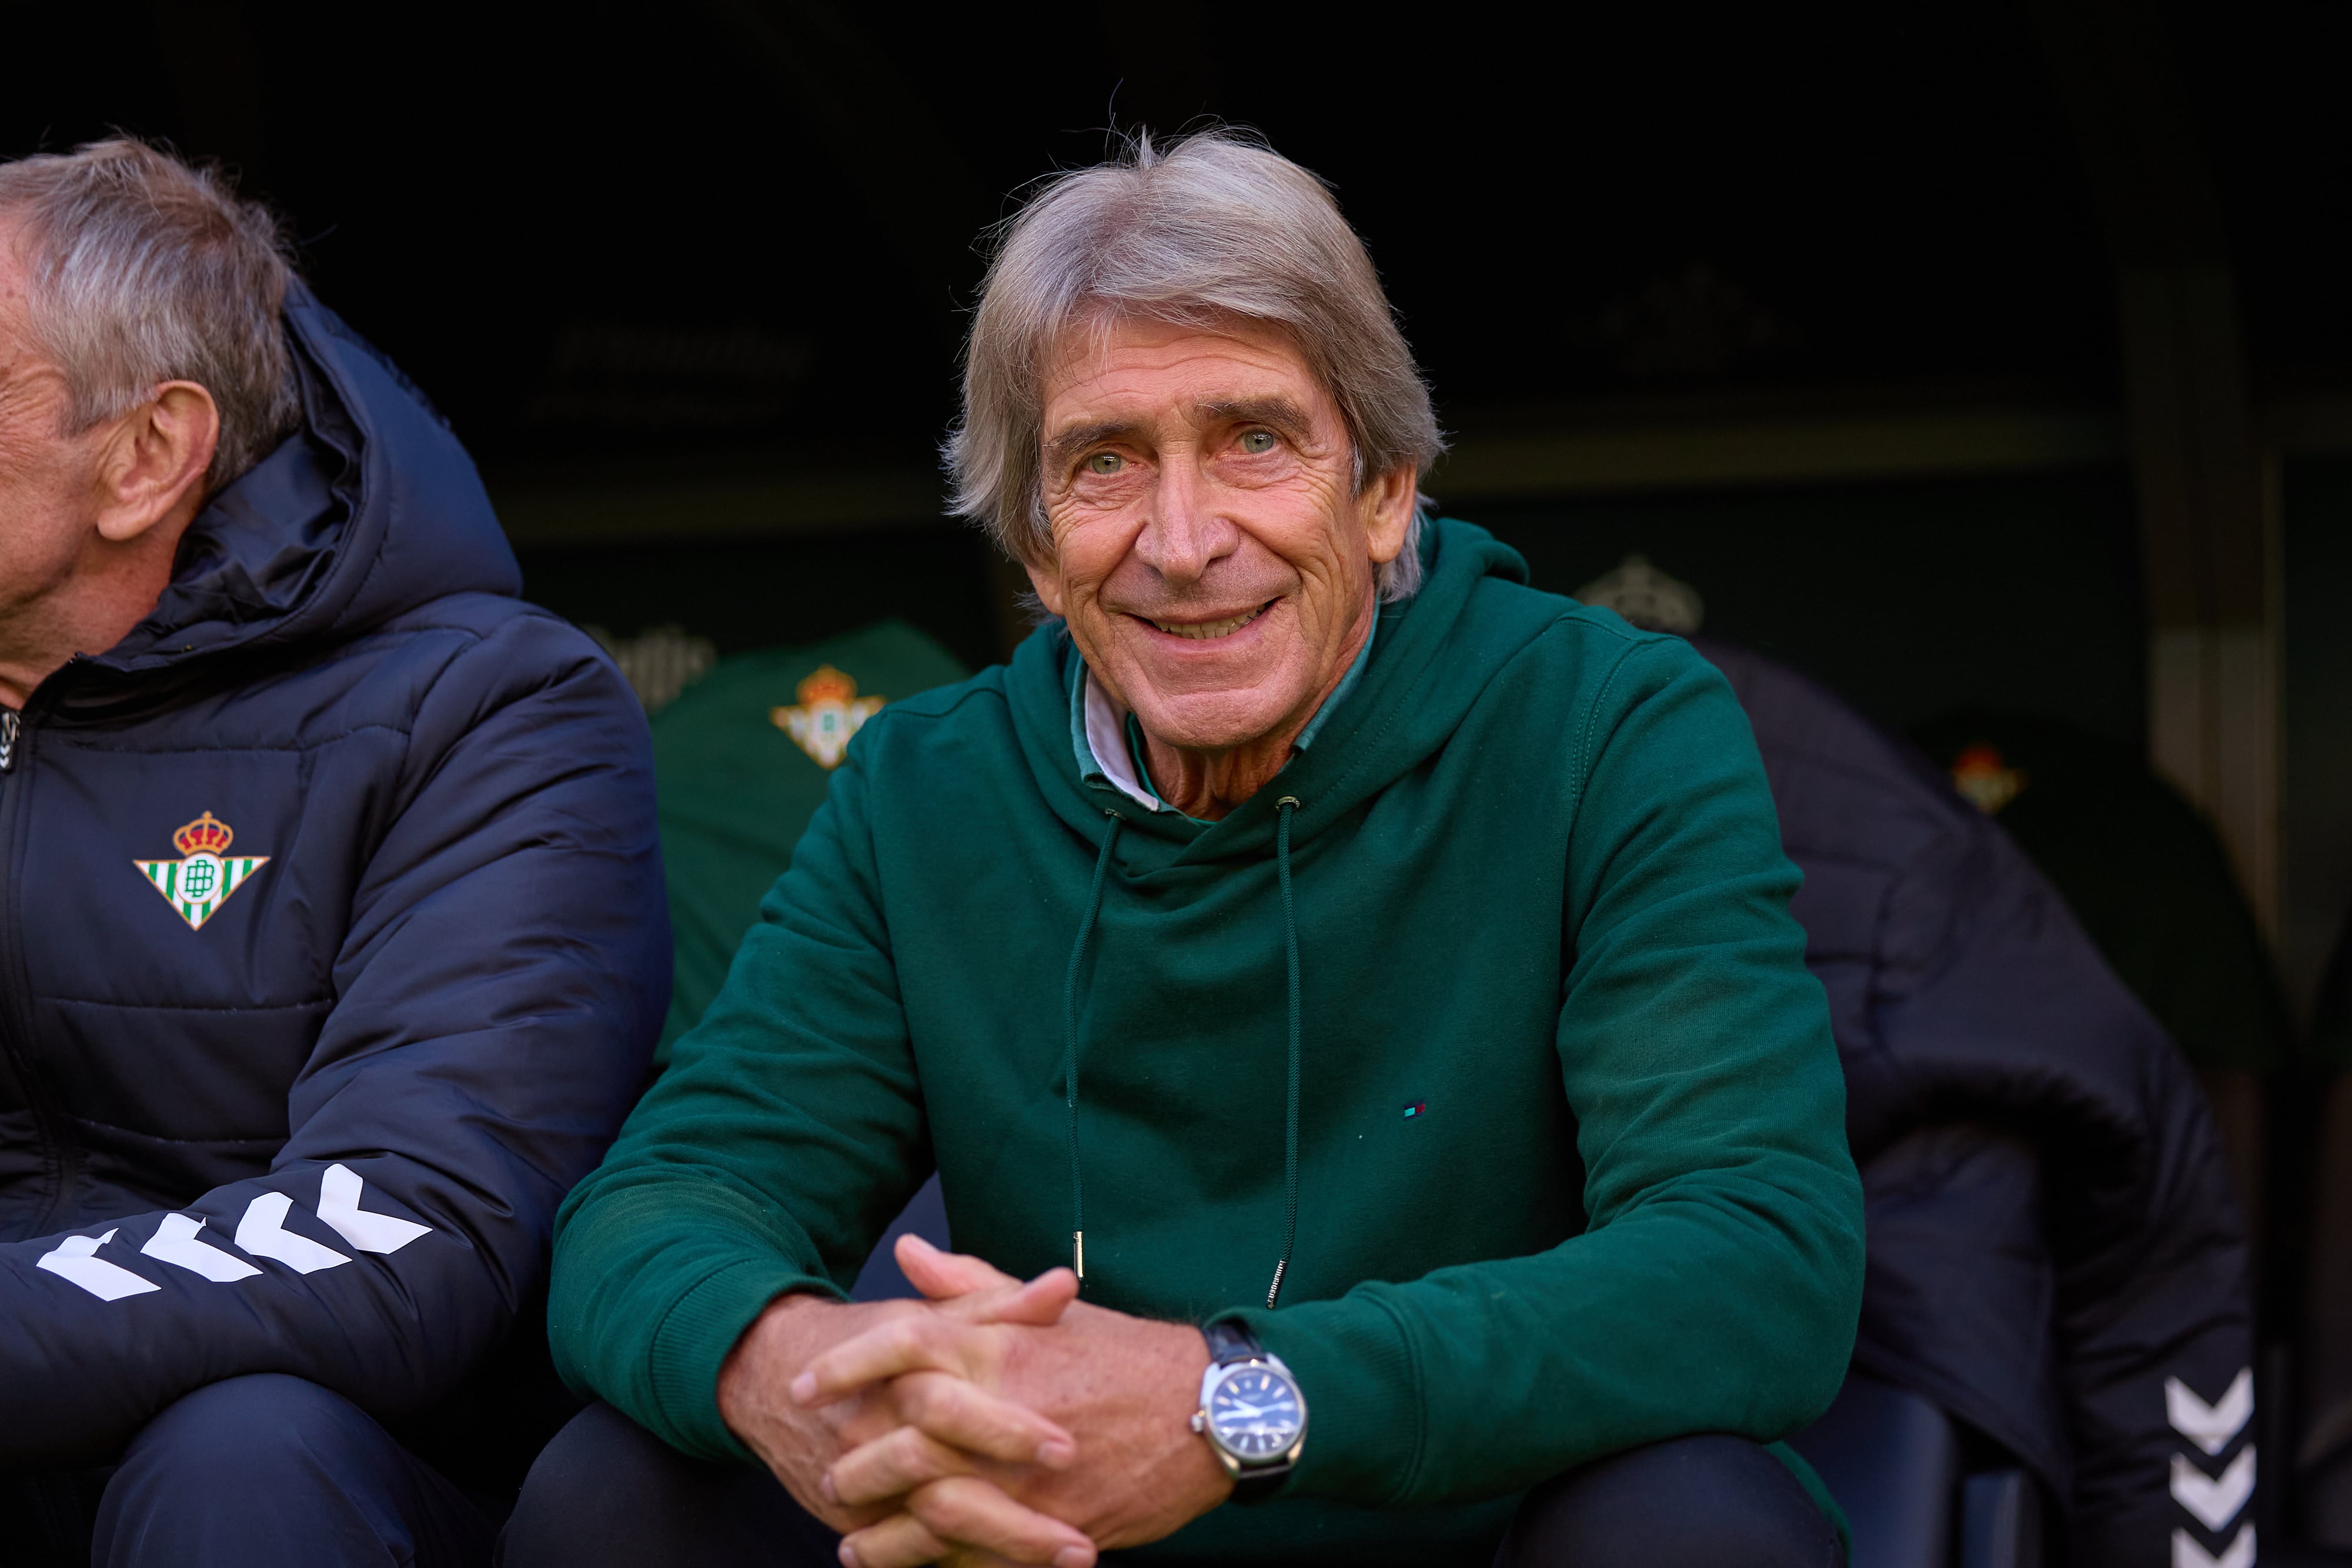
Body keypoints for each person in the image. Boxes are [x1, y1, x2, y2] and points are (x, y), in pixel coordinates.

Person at [516, 131, 1863, 1568]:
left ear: (1384, 488)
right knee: (619, 1488)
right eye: (1104, 463)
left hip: (1467, 1528)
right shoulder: (925, 785)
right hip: (1035, 1535)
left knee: (1694, 1523)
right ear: (1037, 549)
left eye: (1254, 441)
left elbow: (1752, 1252)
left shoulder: (1604, 726)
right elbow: (662, 1199)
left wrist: (1229, 1398)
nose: (1180, 537)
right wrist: (794, 1366)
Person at [0, 140, 669, 1565]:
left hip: (324, 1489)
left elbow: (411, 1229)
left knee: (241, 1452)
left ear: (145, 456)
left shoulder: (489, 708)